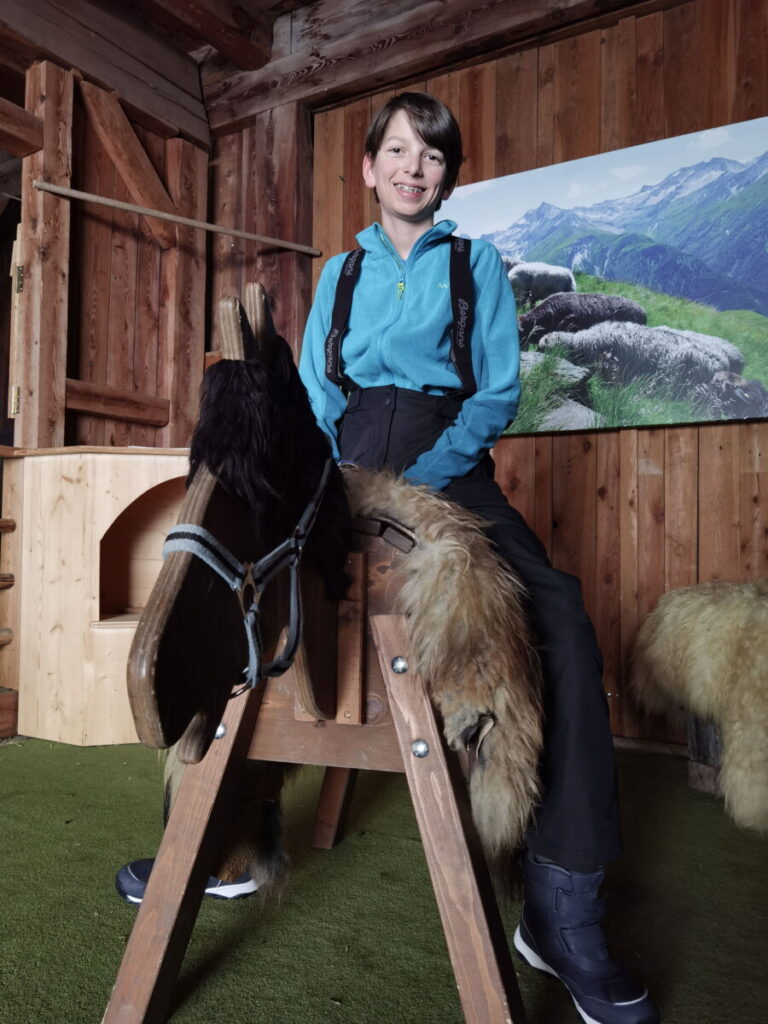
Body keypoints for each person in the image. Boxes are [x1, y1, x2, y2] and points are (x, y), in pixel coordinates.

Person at [298, 92, 659, 1024]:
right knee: (250, 590)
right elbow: (312, 396)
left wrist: (421, 477)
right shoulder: (336, 277)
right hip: (340, 470)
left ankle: (563, 906)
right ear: (369, 166)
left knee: (565, 625)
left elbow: (496, 393)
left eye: (434, 156)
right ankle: (218, 837)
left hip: (447, 462)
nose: (415, 167)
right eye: (399, 151)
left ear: (446, 176)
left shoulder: (477, 267)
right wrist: (337, 484)